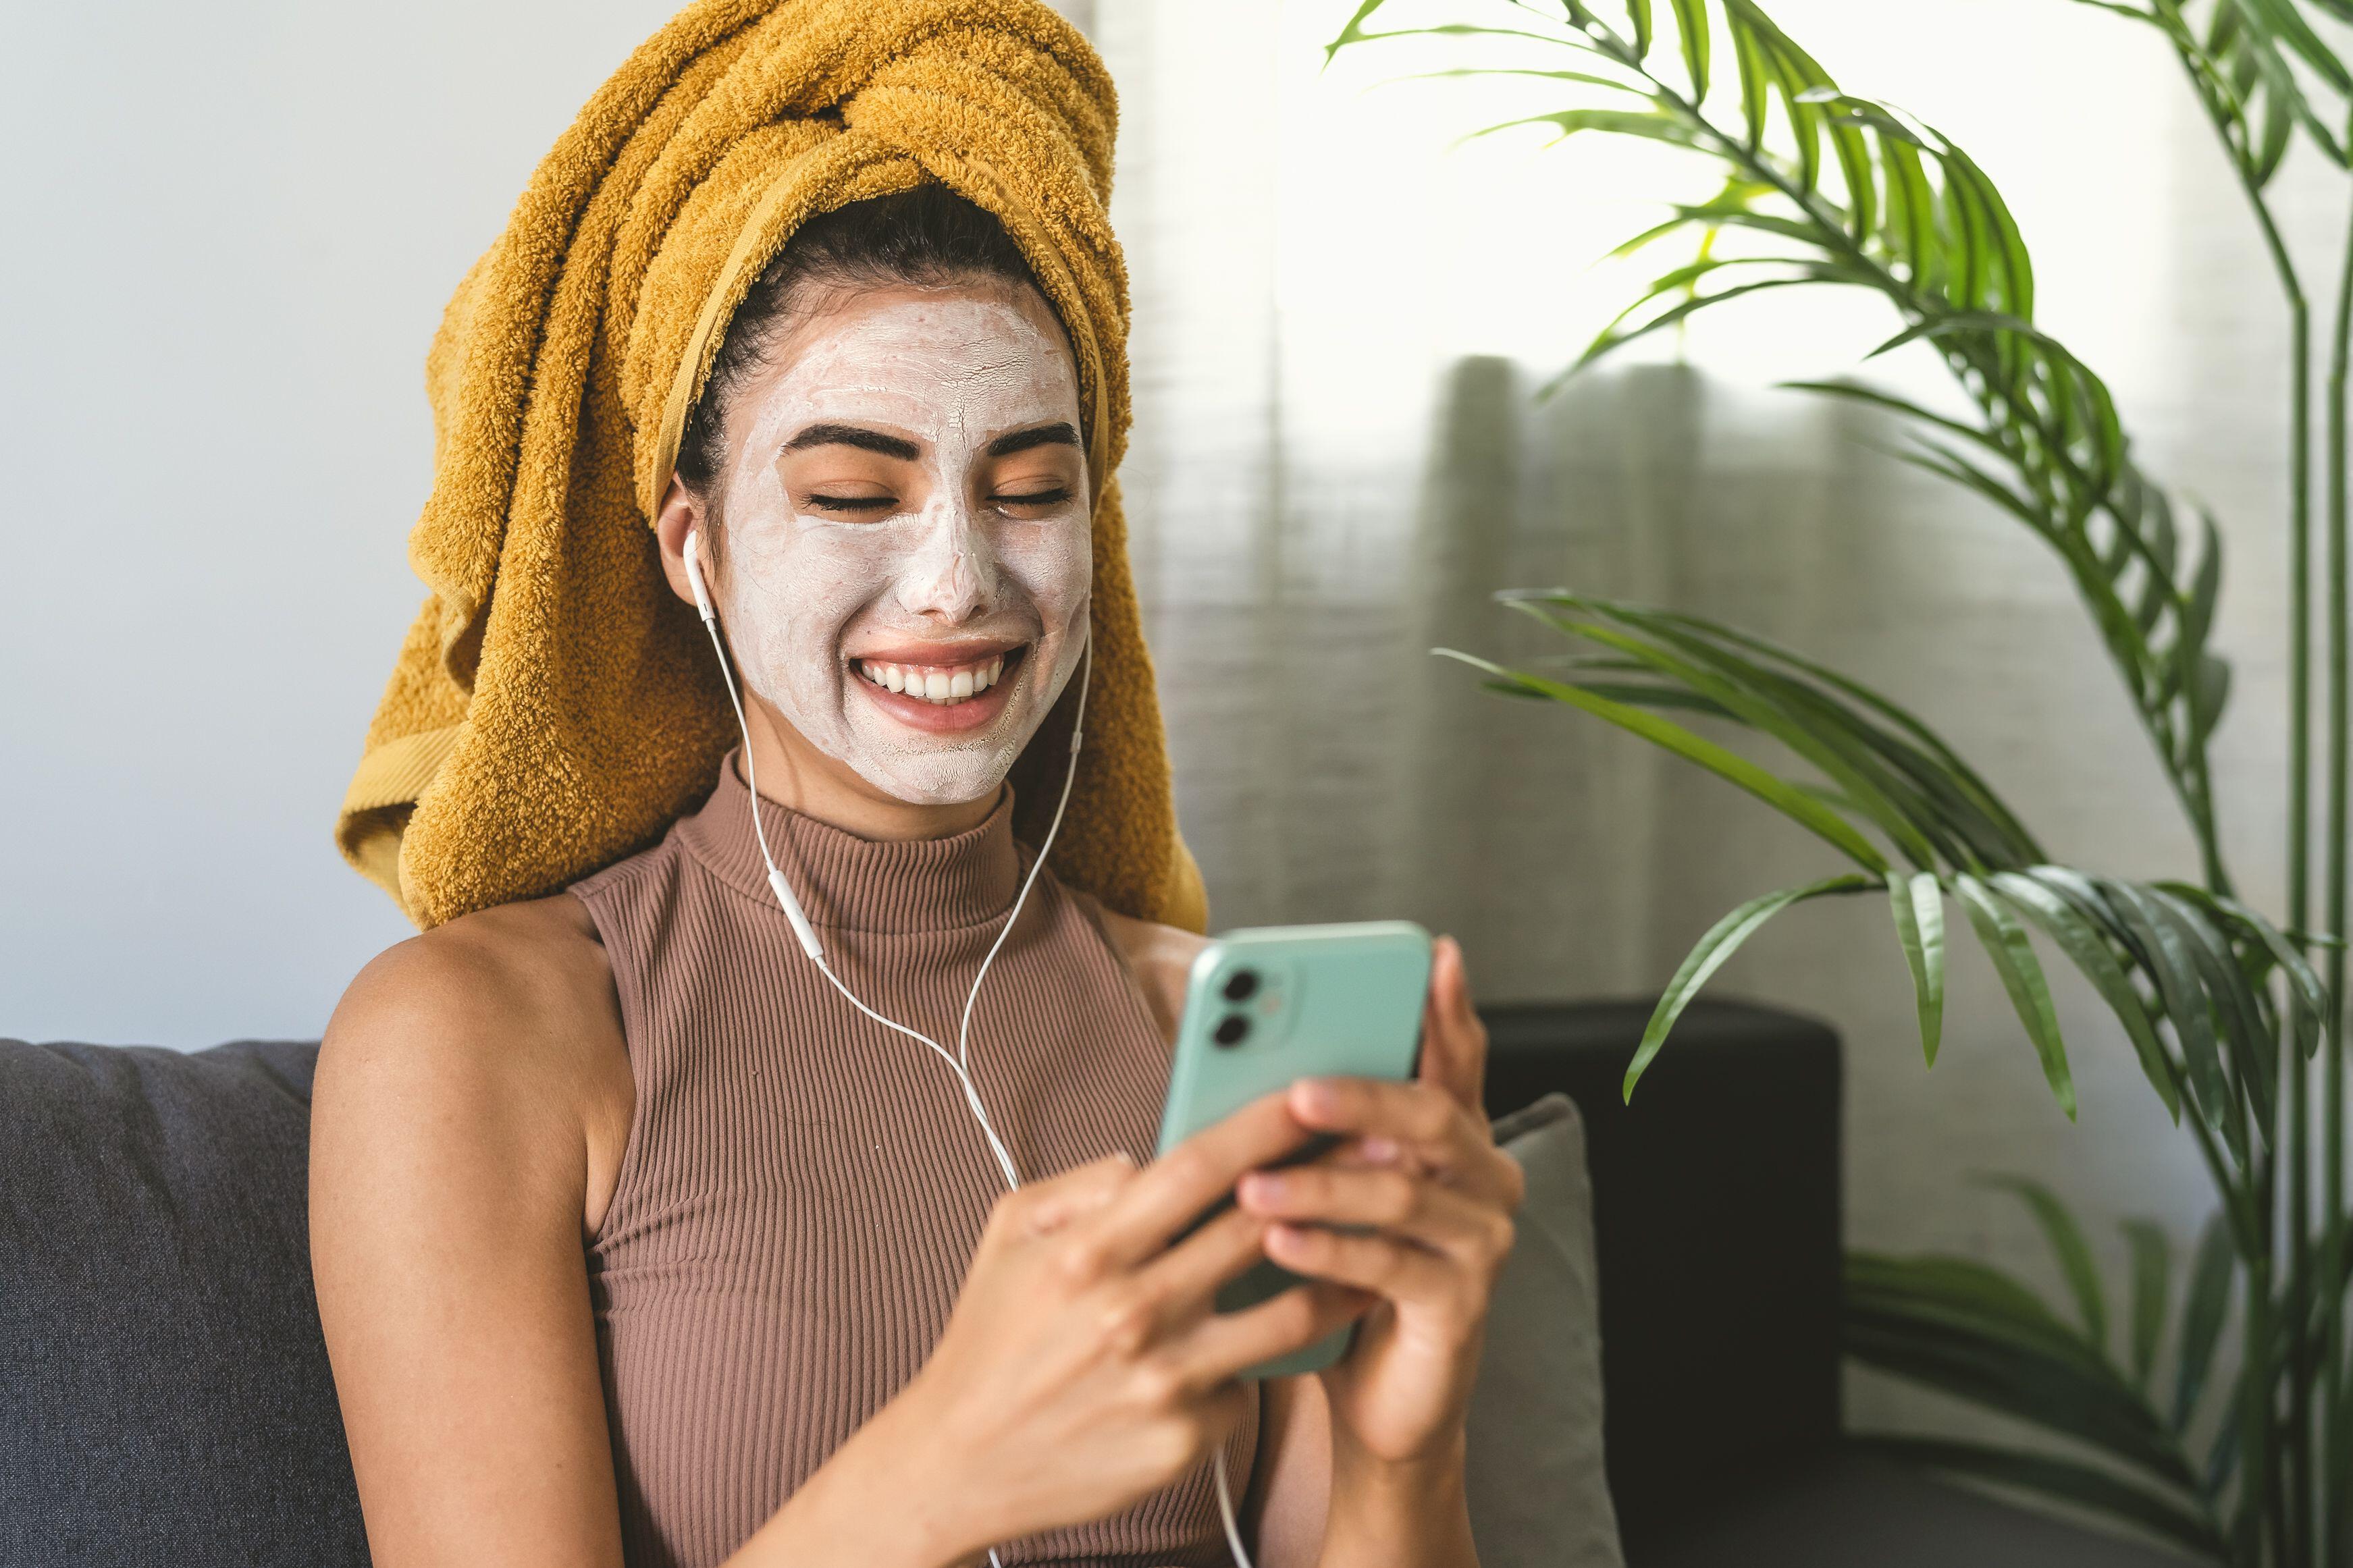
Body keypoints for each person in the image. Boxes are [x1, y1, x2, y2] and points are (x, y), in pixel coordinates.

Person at [311, 8, 1523, 1567]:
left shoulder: (1194, 1023)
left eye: (1030, 489)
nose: (957, 581)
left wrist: (1403, 1450)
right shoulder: (484, 1038)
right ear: (697, 548)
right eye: (849, 492)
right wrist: (948, 1471)